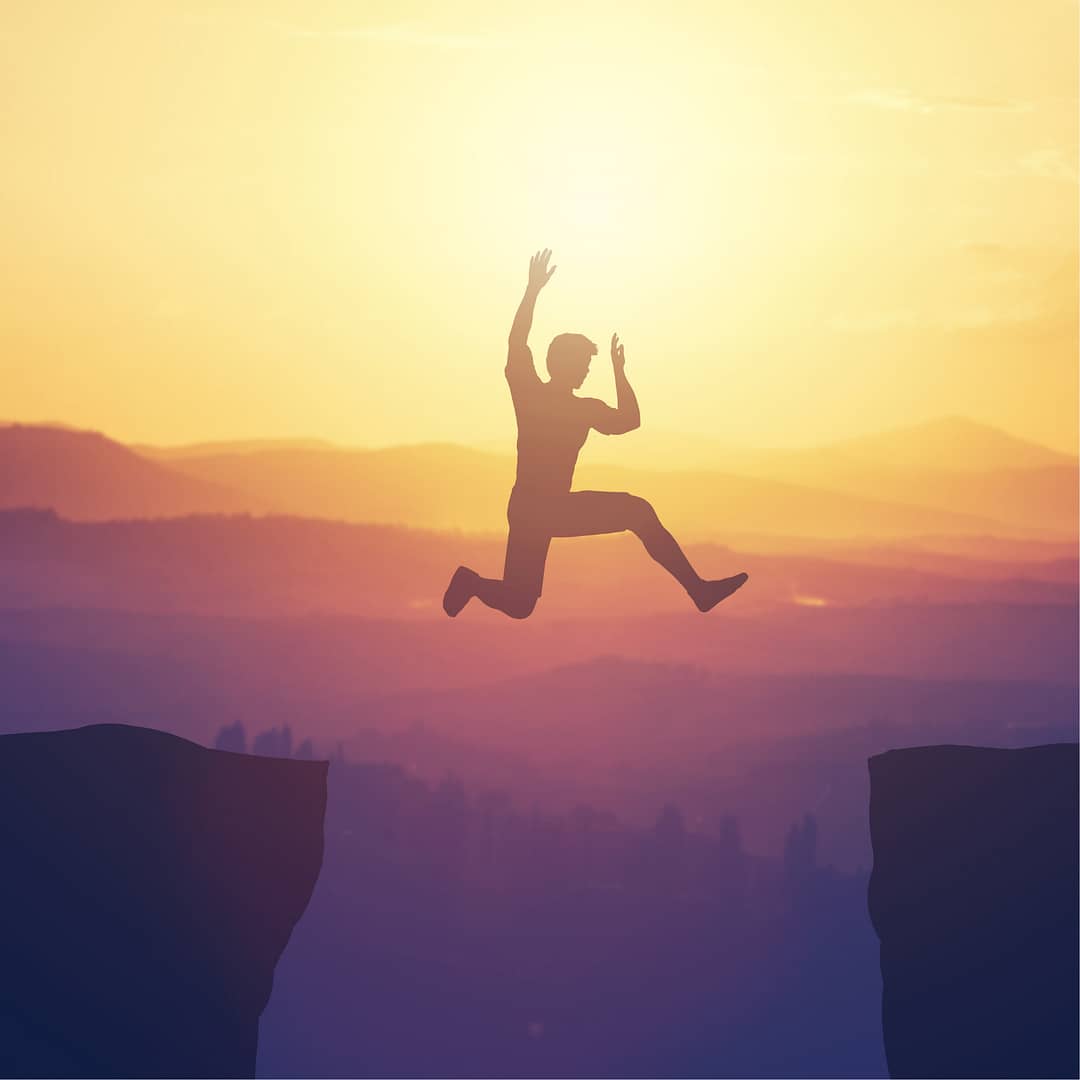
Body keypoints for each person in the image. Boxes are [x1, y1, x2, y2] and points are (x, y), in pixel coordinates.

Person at [443, 248, 748, 619]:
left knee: (520, 603)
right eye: (585, 364)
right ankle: (699, 590)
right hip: (543, 509)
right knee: (637, 511)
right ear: (566, 364)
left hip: (530, 509)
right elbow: (518, 344)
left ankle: (471, 583)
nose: (588, 371)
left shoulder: (555, 401)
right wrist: (532, 291)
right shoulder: (542, 397)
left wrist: (619, 371)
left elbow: (627, 421)